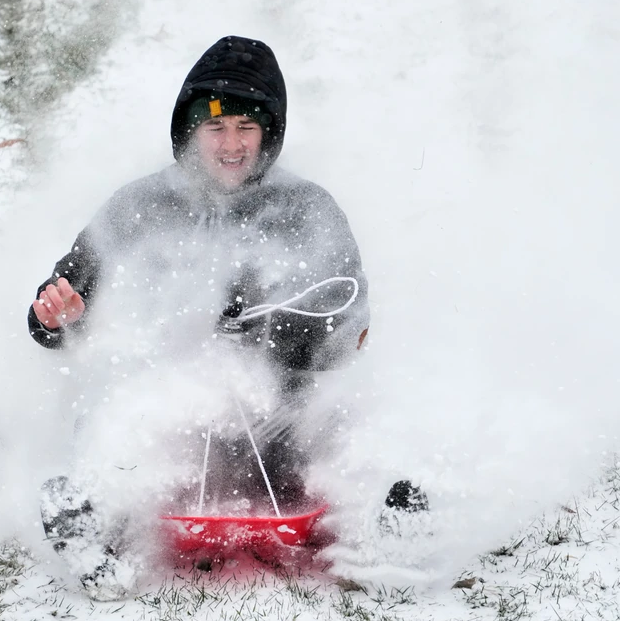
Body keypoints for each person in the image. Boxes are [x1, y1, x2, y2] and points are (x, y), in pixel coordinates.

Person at [28, 36, 424, 600]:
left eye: (246, 126)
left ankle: (380, 535)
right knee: (115, 406)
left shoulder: (308, 210)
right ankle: (104, 537)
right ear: (189, 131)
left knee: (349, 413)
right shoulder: (139, 207)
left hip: (281, 428)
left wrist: (276, 331)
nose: (232, 144)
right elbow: (67, 298)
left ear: (270, 131)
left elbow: (351, 328)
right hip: (175, 431)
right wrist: (57, 317)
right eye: (215, 127)